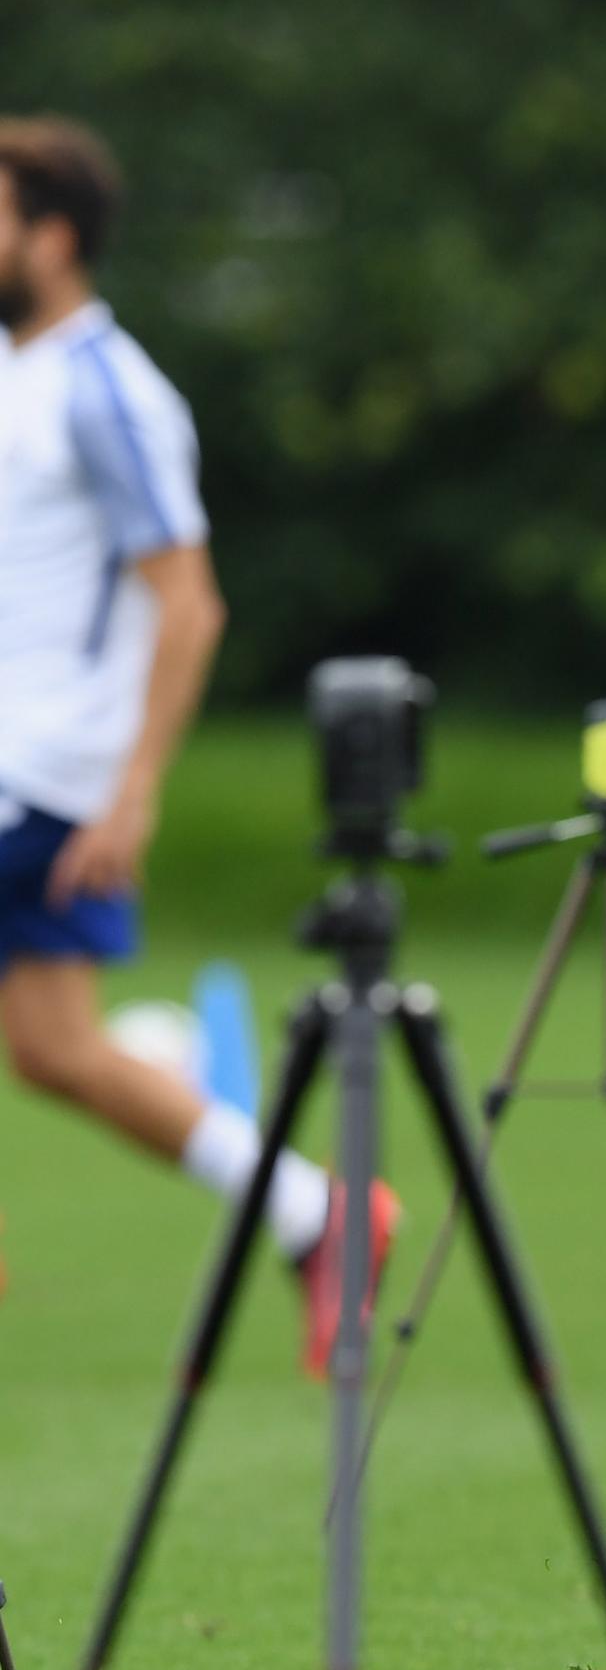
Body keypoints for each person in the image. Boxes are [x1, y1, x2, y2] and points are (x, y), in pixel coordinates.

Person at [0, 116, 394, 1371]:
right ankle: (317, 1210)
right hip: (33, 767)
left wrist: (135, 795)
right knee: (58, 1050)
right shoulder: (17, 371)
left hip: (37, 771)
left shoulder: (109, 391)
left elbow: (191, 601)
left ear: (51, 235)